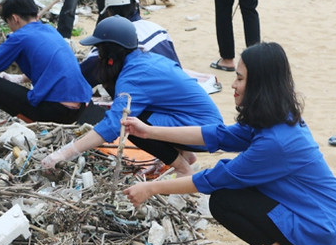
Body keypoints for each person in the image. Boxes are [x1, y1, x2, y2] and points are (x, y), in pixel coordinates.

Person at [122, 42, 336, 245]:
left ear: (259, 86)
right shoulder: (275, 117)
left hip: (322, 233)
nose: (233, 85)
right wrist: (150, 131)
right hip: (321, 218)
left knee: (224, 201)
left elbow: (213, 179)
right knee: (235, 192)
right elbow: (218, 135)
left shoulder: (275, 142)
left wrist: (150, 188)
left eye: (240, 79)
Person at [42, 16, 223, 175]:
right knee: (138, 118)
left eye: (99, 49)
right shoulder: (143, 60)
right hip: (203, 126)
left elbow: (113, 125)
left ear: (110, 53)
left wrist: (64, 153)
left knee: (129, 124)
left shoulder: (135, 76)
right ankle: (185, 157)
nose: (98, 55)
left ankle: (183, 169)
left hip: (202, 133)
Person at [0, 0, 92, 123]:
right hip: (80, 109)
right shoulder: (50, 30)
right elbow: (49, 68)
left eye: (8, 23)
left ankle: (33, 121)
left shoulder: (20, 36)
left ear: (15, 18)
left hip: (56, 111)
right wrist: (18, 78)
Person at [80, 0, 181, 87]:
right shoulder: (159, 30)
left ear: (109, 12)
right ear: (136, 7)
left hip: (146, 90)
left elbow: (82, 76)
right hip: (176, 82)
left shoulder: (112, 40)